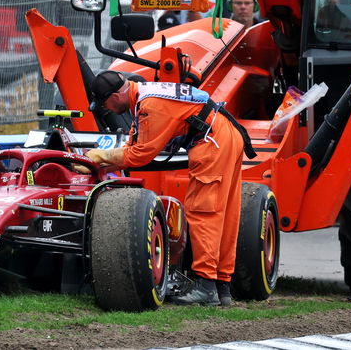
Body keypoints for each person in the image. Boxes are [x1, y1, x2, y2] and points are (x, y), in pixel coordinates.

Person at [84, 70, 254, 306]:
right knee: (225, 214)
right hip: (224, 135)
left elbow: (140, 155)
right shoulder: (144, 96)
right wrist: (106, 157)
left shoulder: (149, 106)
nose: (106, 109)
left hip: (212, 142)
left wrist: (100, 156)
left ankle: (207, 288)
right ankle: (221, 287)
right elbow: (135, 141)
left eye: (104, 104)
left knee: (203, 213)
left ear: (115, 96)